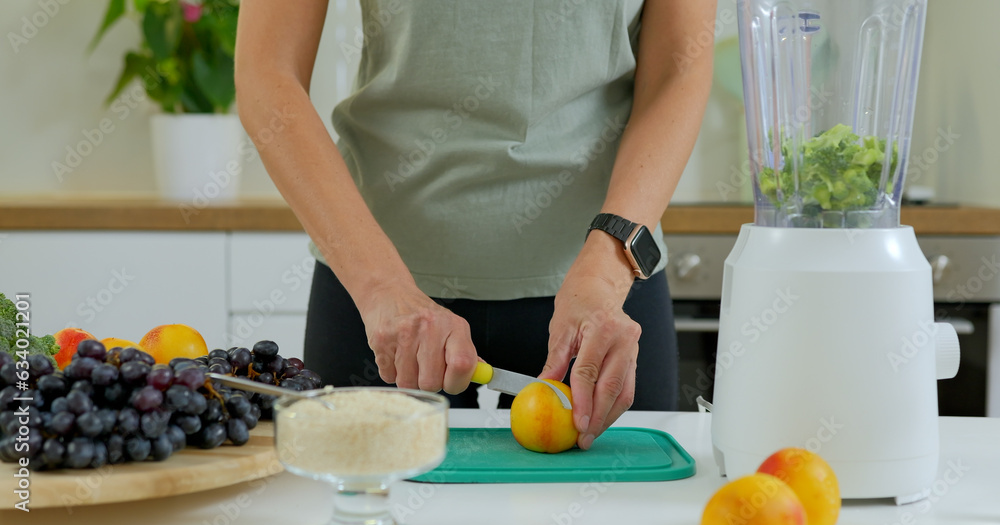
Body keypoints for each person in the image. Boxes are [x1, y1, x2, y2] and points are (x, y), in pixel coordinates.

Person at [235, 0, 715, 449]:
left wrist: (607, 269)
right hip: (382, 305)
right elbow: (267, 70)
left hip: (604, 297)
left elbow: (680, 67)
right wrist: (380, 287)